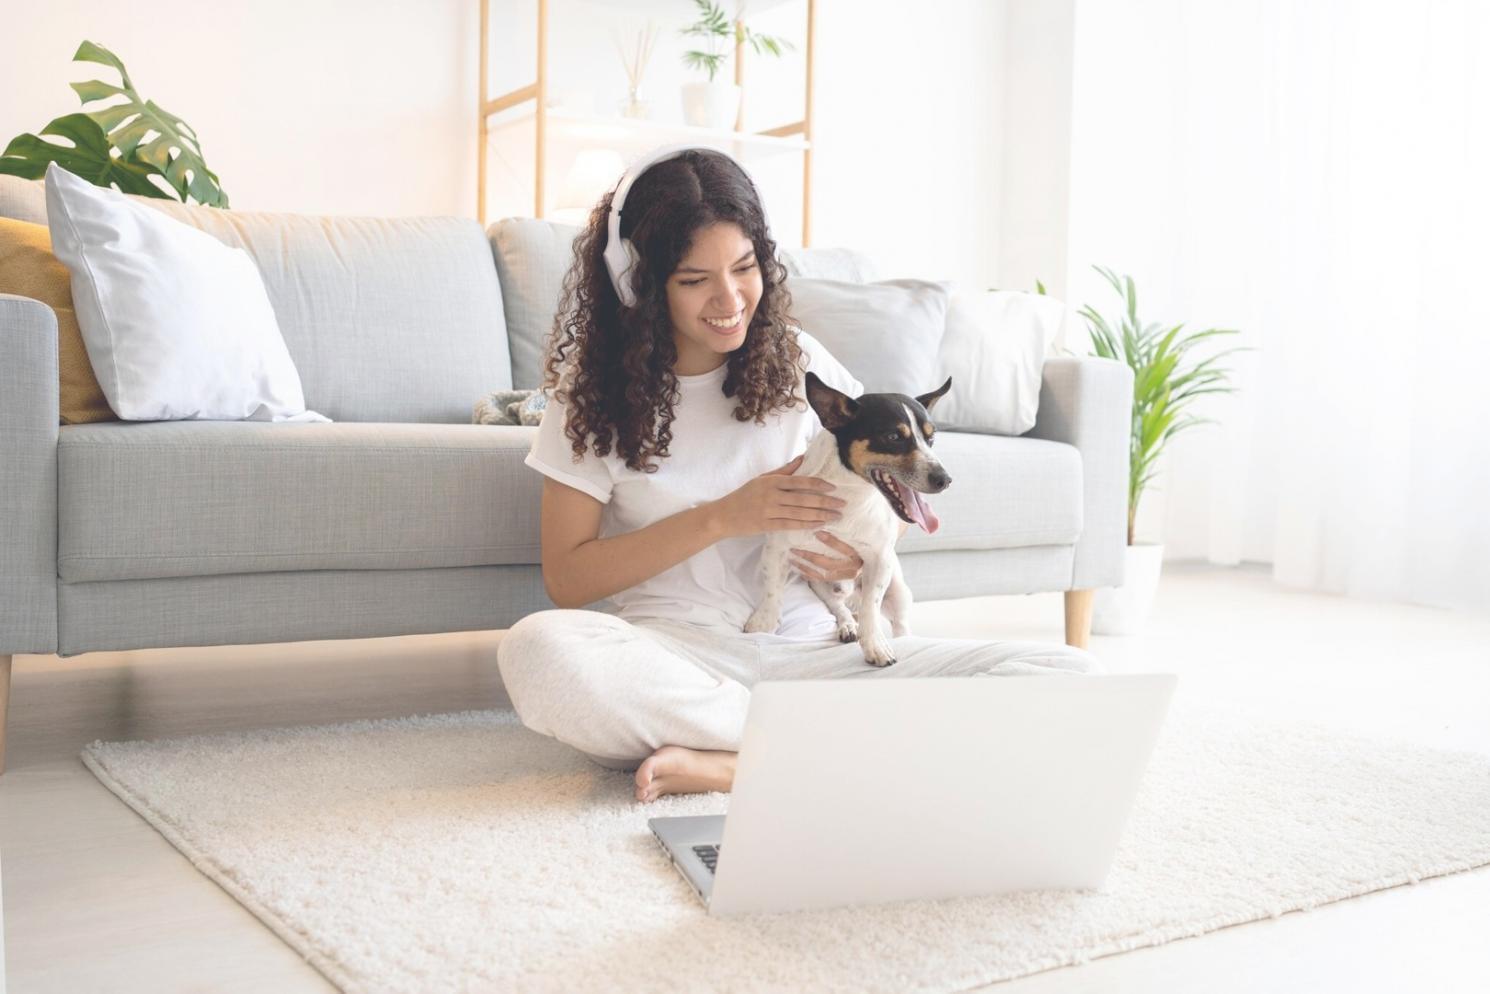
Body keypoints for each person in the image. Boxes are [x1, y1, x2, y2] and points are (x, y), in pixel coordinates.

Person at [496, 145, 1103, 804]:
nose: (729, 300)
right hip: (681, 658)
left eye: (745, 268)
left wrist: (857, 555)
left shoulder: (798, 363)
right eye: (694, 279)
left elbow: (881, 490)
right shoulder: (591, 398)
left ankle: (739, 758)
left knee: (1066, 672)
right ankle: (831, 746)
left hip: (825, 654)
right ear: (639, 286)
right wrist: (724, 516)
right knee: (537, 652)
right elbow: (568, 577)